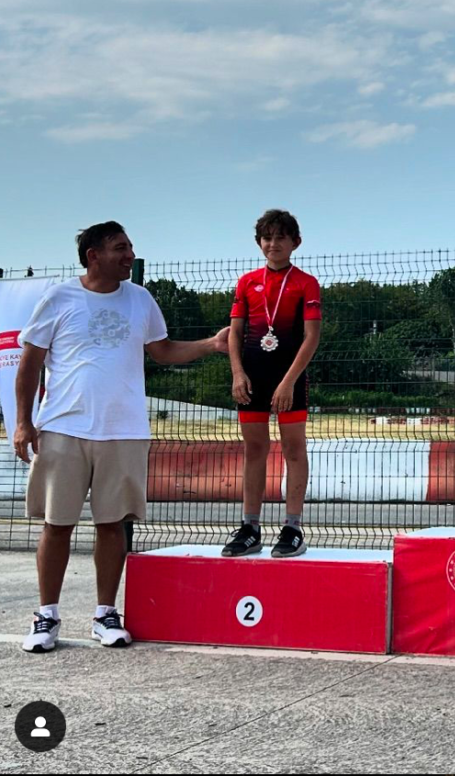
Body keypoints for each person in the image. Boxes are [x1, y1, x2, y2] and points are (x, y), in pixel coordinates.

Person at [14, 222, 229, 653]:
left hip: (125, 429)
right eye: (120, 248)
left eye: (130, 247)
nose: (129, 255)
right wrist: (24, 422)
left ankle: (105, 614)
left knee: (113, 525)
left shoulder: (140, 299)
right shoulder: (58, 297)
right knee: (57, 525)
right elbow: (30, 363)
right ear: (93, 255)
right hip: (63, 427)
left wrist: (212, 344)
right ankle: (46, 616)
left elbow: (162, 351)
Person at [223, 210, 321, 559]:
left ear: (296, 242)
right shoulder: (247, 282)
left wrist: (288, 381)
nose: (273, 244)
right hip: (252, 377)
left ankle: (292, 528)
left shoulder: (306, 283)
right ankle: (250, 527)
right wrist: (238, 373)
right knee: (254, 450)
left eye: (281, 237)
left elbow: (311, 337)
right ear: (259, 243)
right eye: (267, 237)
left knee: (293, 450)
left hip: (289, 378)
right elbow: (234, 333)